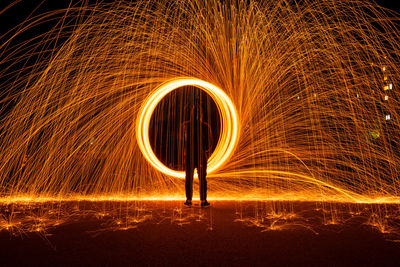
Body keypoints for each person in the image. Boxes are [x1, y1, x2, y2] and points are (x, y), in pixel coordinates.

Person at [180, 103, 213, 207]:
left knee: (189, 178)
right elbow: (210, 142)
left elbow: (181, 141)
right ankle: (203, 200)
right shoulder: (204, 126)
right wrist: (205, 151)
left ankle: (189, 200)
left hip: (191, 155)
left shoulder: (186, 125)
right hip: (199, 155)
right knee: (202, 178)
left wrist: (185, 153)